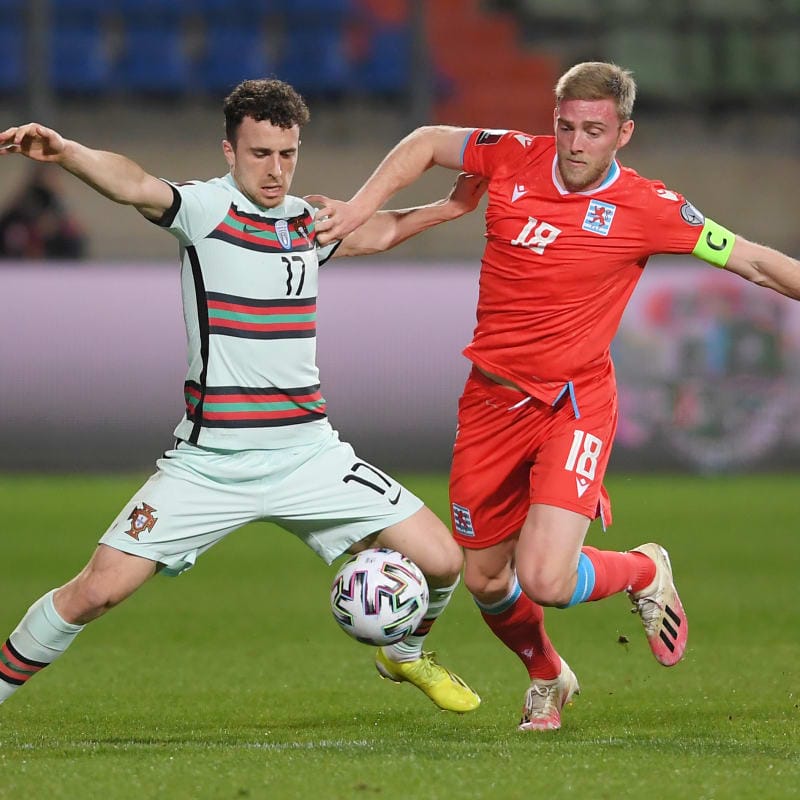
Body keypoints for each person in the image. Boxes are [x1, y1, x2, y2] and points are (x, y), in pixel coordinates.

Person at [310, 61, 800, 731]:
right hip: (490, 401)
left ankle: (641, 568)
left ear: (623, 132)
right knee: (483, 578)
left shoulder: (650, 208)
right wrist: (357, 208)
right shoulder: (512, 158)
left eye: (593, 131)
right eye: (566, 126)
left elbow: (753, 261)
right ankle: (548, 676)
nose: (574, 144)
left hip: (573, 402)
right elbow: (426, 141)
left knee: (543, 577)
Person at [0, 79, 486, 715]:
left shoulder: (307, 222)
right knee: (96, 591)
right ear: (229, 152)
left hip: (308, 452)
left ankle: (403, 655)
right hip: (212, 464)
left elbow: (380, 232)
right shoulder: (206, 211)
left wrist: (447, 210)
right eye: (261, 154)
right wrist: (67, 152)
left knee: (445, 560)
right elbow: (134, 183)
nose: (276, 170)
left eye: (288, 154)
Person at [0, 164, 87, 259]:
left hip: (54, 254)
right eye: (47, 175)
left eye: (53, 176)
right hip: (22, 255)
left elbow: (73, 229)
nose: (50, 179)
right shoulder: (24, 200)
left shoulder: (58, 202)